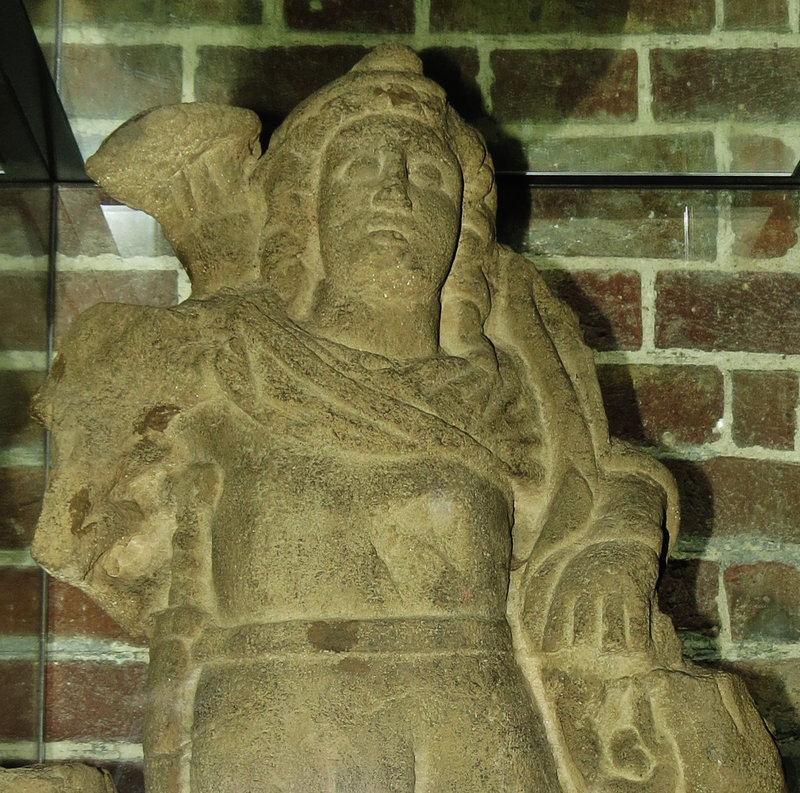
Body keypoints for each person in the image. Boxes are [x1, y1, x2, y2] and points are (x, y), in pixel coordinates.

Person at [32, 45, 785, 793]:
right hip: (275, 720)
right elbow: (89, 533)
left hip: (479, 714)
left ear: (462, 219)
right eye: (360, 168)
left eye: (427, 174)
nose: (395, 192)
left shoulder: (511, 364)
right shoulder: (226, 353)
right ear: (308, 209)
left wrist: (612, 543)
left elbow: (597, 471)